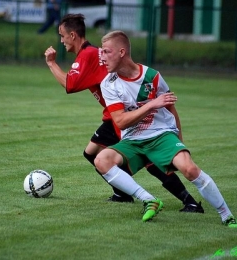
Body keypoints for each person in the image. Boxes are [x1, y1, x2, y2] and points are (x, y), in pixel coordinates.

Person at [44, 13, 204, 213]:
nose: (61, 40)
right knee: (92, 152)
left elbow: (69, 84)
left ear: (73, 35)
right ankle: (123, 193)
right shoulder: (91, 54)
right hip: (112, 115)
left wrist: (51, 63)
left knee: (149, 161)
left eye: (62, 35)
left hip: (121, 115)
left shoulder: (88, 55)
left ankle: (187, 201)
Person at [94, 30, 237, 227]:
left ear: (122, 52)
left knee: (189, 168)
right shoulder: (108, 84)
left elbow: (170, 107)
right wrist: (151, 104)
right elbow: (120, 122)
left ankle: (227, 215)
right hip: (133, 139)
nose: (102, 57)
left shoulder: (152, 76)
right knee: (101, 160)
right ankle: (148, 199)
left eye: (106, 52)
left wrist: (179, 139)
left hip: (161, 135)